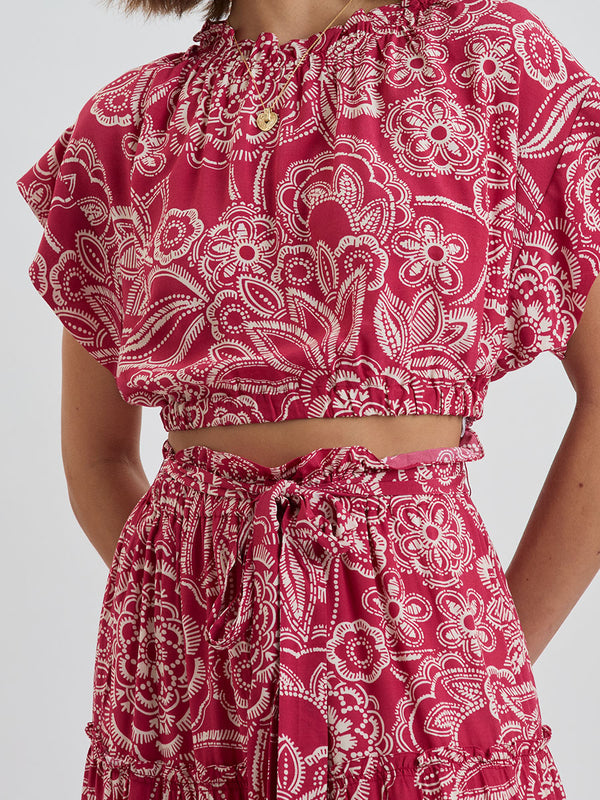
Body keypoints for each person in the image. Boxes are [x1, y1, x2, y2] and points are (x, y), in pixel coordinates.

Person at [16, 0, 600, 797]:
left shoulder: (489, 61)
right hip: (181, 695)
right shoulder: (128, 124)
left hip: (430, 655)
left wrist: (483, 659)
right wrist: (198, 626)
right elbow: (97, 458)